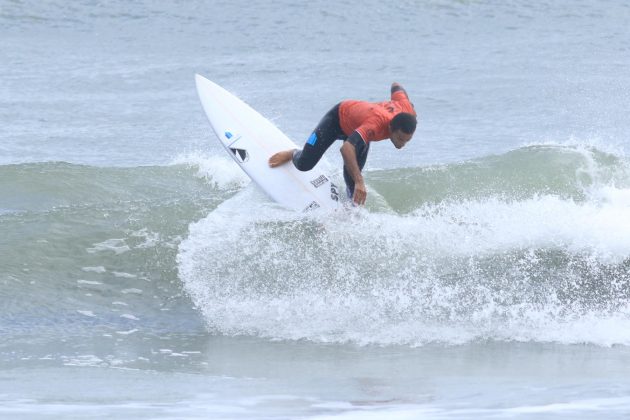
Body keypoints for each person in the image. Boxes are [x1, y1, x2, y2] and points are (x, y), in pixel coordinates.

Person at [268, 82, 417, 205]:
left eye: (407, 140)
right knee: (304, 164)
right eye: (400, 138)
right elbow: (346, 149)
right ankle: (293, 153)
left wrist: (412, 111)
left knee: (354, 188)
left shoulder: (406, 109)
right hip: (337, 120)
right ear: (391, 127)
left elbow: (396, 86)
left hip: (360, 129)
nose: (402, 144)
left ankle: (347, 215)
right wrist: (360, 180)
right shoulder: (376, 125)